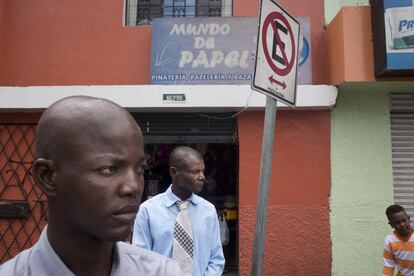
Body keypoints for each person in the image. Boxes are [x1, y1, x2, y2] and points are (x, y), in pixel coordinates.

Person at [0, 96, 182, 276]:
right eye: (108, 169)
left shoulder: (163, 272)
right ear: (47, 176)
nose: (133, 187)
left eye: (140, 168)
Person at [132, 146, 225, 276]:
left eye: (203, 171)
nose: (202, 177)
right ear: (174, 172)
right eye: (195, 172)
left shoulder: (208, 210)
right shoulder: (148, 210)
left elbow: (216, 258)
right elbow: (141, 259)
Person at [383, 204, 414, 275]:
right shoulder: (390, 241)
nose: (402, 224)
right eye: (397, 222)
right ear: (391, 224)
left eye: (404, 220)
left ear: (409, 219)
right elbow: (388, 266)